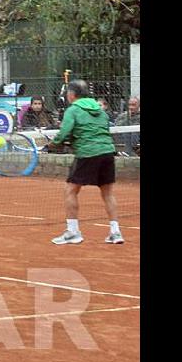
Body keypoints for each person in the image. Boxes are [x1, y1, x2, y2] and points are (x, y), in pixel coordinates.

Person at [46, 79, 124, 245]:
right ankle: (116, 232)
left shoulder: (73, 110)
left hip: (88, 153)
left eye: (68, 93)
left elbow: (65, 132)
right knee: (108, 193)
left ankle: (73, 232)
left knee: (70, 190)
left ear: (72, 95)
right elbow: (99, 130)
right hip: (107, 153)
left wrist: (53, 144)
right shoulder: (101, 111)